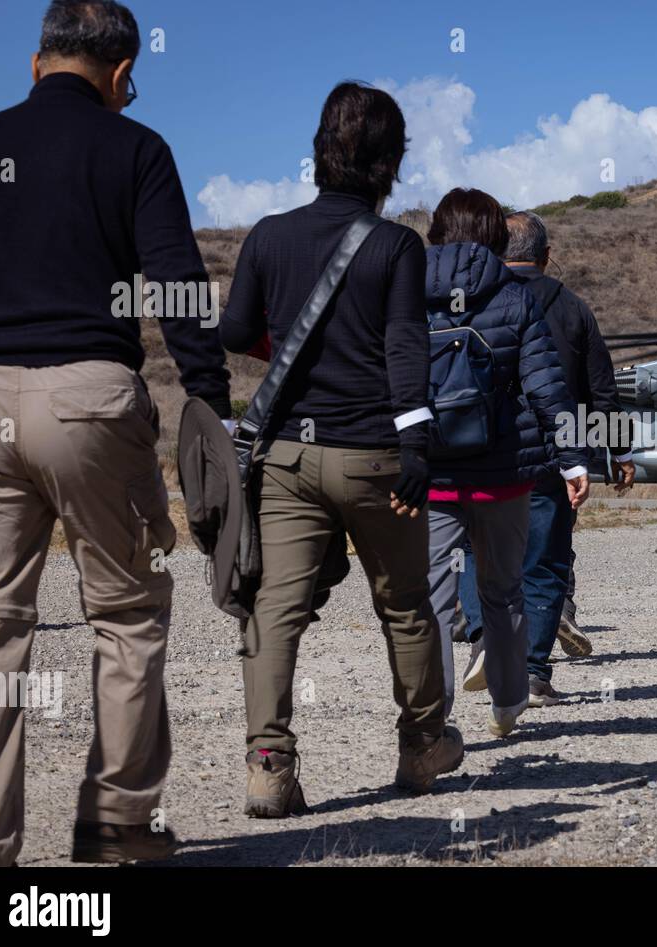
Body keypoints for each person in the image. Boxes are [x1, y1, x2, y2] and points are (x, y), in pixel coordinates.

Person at [0, 0, 232, 866]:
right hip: (90, 401)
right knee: (126, 616)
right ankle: (115, 836)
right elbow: (178, 284)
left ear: (37, 62)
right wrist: (208, 398)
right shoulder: (136, 146)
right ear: (120, 74)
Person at [220, 82, 459, 814]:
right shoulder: (395, 246)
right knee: (406, 604)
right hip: (375, 457)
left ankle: (269, 766)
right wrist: (418, 449)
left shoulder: (268, 236)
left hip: (288, 458)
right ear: (389, 164)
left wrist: (292, 347)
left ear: (320, 152)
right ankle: (422, 747)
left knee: (273, 612)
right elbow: (404, 349)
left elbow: (232, 335)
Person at [423, 189, 588, 737]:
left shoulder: (402, 294)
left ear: (436, 232)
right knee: (503, 589)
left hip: (432, 472)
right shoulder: (516, 298)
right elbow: (546, 387)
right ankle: (508, 702)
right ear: (496, 236)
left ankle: (430, 720)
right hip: (503, 474)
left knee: (431, 598)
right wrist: (570, 460)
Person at [455, 211, 633, 706]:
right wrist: (617, 452)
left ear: (492, 251)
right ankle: (532, 674)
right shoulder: (574, 307)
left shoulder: (473, 300)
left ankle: (482, 641)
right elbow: (602, 391)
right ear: (547, 256)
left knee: (473, 552)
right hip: (556, 454)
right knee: (545, 560)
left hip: (481, 451)